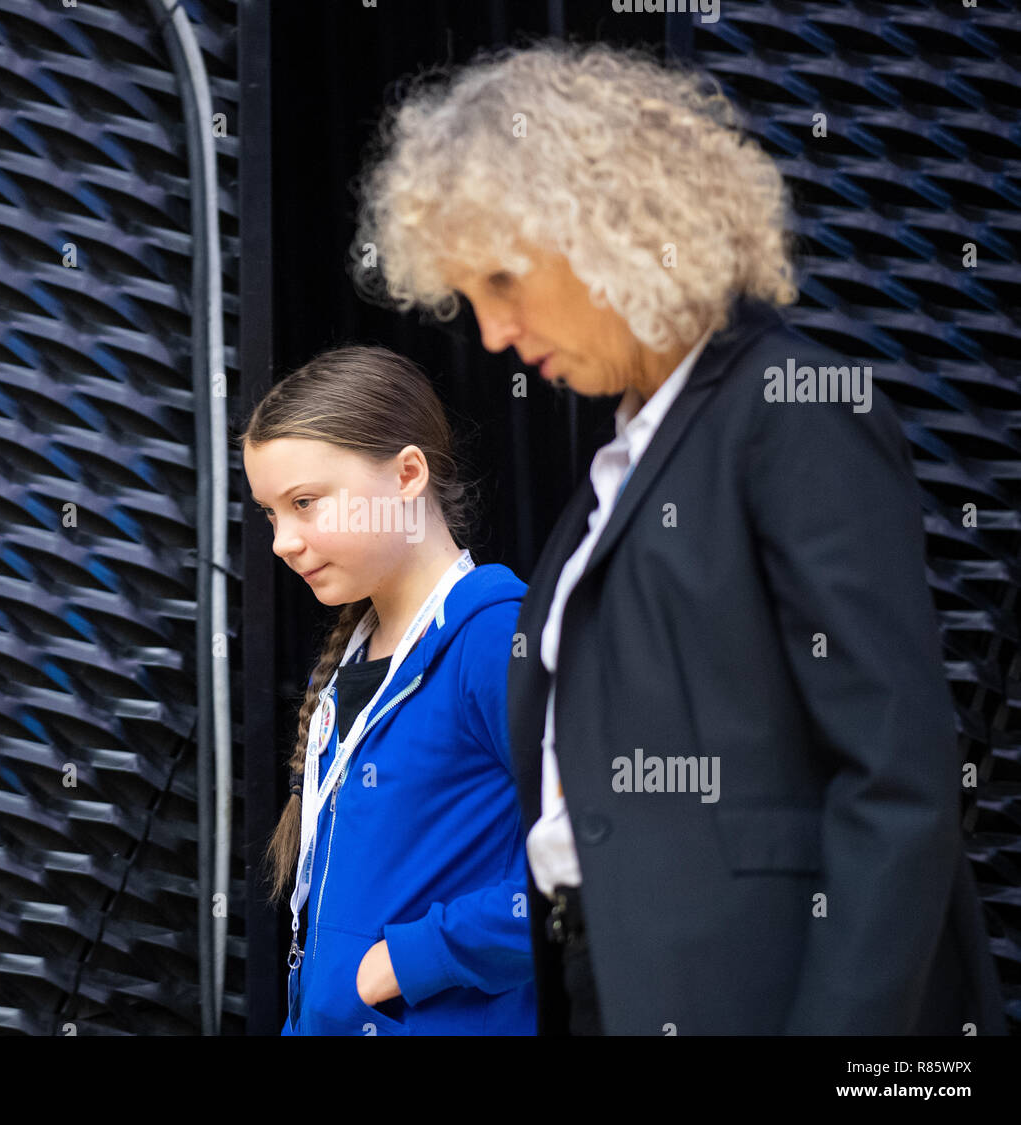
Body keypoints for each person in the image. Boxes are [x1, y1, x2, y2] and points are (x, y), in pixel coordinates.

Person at [349, 39, 1007, 1035]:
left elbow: (895, 777)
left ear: (607, 227)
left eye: (500, 280)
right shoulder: (619, 467)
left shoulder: (790, 409)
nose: (489, 333)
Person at [240, 344, 536, 1035]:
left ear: (408, 475)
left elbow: (597, 865)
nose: (283, 539)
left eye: (305, 502)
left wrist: (411, 958)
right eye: (271, 514)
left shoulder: (497, 638)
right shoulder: (347, 659)